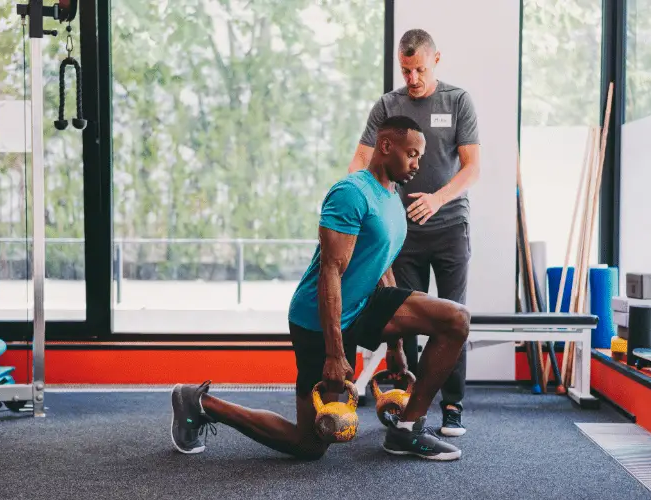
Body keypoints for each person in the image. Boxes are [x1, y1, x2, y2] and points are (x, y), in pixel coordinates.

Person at [170, 115, 471, 461]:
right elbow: (330, 272)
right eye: (412, 154)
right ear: (386, 146)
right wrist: (334, 353)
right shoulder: (350, 194)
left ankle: (407, 430)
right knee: (309, 444)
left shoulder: (391, 195)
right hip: (319, 318)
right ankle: (200, 402)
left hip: (364, 303)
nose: (418, 163)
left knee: (455, 319)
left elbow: (382, 263)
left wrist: (395, 346)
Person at [348, 29, 481, 437]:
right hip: (402, 232)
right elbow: (360, 160)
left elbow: (472, 168)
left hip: (448, 228)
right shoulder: (388, 105)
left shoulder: (457, 101)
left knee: (453, 315)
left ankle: (453, 406)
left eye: (419, 69)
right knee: (405, 318)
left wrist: (437, 200)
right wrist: (354, 202)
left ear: (436, 60)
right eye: (406, 70)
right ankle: (408, 401)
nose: (413, 78)